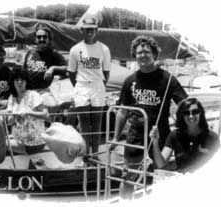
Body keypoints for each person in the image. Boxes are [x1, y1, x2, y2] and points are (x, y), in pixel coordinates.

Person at [111, 35, 187, 199]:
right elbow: (122, 112)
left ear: (154, 54)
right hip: (134, 138)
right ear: (134, 56)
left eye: (146, 52)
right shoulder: (130, 81)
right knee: (127, 178)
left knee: (159, 178)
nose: (142, 55)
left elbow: (184, 104)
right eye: (139, 53)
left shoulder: (167, 79)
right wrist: (116, 138)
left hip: (159, 137)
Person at [68, 16, 111, 157]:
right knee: (84, 124)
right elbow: (71, 72)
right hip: (81, 85)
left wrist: (99, 85)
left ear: (96, 30)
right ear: (82, 30)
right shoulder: (75, 49)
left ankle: (96, 154)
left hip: (98, 85)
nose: (90, 32)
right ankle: (86, 156)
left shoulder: (104, 49)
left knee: (97, 123)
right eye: (87, 29)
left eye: (92, 29)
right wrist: (79, 86)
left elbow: (106, 72)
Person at [150, 97, 220, 173]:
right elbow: (161, 165)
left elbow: (219, 166)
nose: (191, 116)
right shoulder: (174, 135)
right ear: (182, 115)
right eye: (186, 113)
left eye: (195, 112)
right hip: (182, 180)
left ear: (201, 113)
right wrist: (155, 142)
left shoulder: (212, 137)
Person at [23, 26, 68, 106]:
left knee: (54, 106)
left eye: (44, 37)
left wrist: (52, 68)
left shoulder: (53, 53)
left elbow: (67, 68)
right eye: (39, 37)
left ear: (49, 39)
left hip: (43, 91)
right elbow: (23, 71)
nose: (42, 39)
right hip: (27, 91)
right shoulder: (29, 53)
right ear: (35, 39)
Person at [6, 69, 49, 145]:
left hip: (35, 140)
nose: (19, 82)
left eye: (22, 80)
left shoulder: (33, 95)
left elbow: (46, 115)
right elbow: (10, 122)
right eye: (17, 80)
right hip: (18, 138)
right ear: (12, 82)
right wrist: (12, 117)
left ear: (26, 82)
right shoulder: (12, 98)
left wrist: (29, 113)